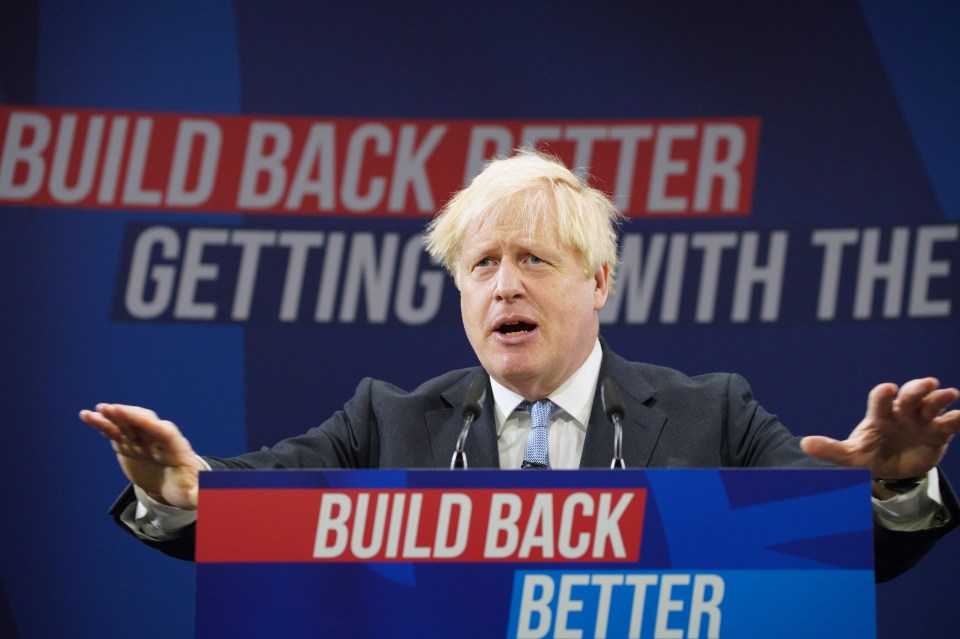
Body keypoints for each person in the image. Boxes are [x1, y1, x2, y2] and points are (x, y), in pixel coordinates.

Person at [80, 149, 959, 581]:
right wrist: (186, 491)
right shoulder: (386, 418)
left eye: (534, 261)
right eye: (482, 265)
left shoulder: (713, 412)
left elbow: (836, 553)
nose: (505, 287)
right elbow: (255, 508)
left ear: (599, 279)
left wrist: (885, 491)